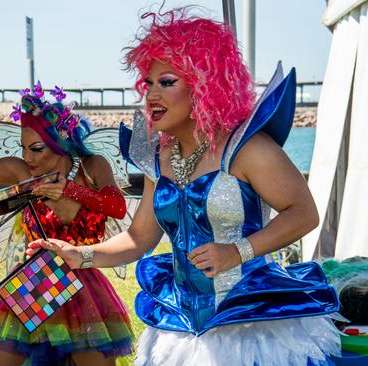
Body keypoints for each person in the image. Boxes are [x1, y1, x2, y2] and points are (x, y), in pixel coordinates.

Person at [27, 8, 341, 366]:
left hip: (251, 324)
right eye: (148, 83)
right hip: (181, 330)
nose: (151, 95)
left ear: (205, 86)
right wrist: (79, 255)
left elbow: (304, 213)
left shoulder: (248, 149)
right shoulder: (158, 158)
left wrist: (237, 251)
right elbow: (138, 239)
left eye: (167, 82)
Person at [0, 84, 134, 366]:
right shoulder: (20, 172)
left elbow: (117, 206)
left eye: (36, 148)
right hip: (35, 282)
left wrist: (69, 190)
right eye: (24, 148)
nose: (28, 157)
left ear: (61, 144)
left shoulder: (93, 167)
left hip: (84, 286)